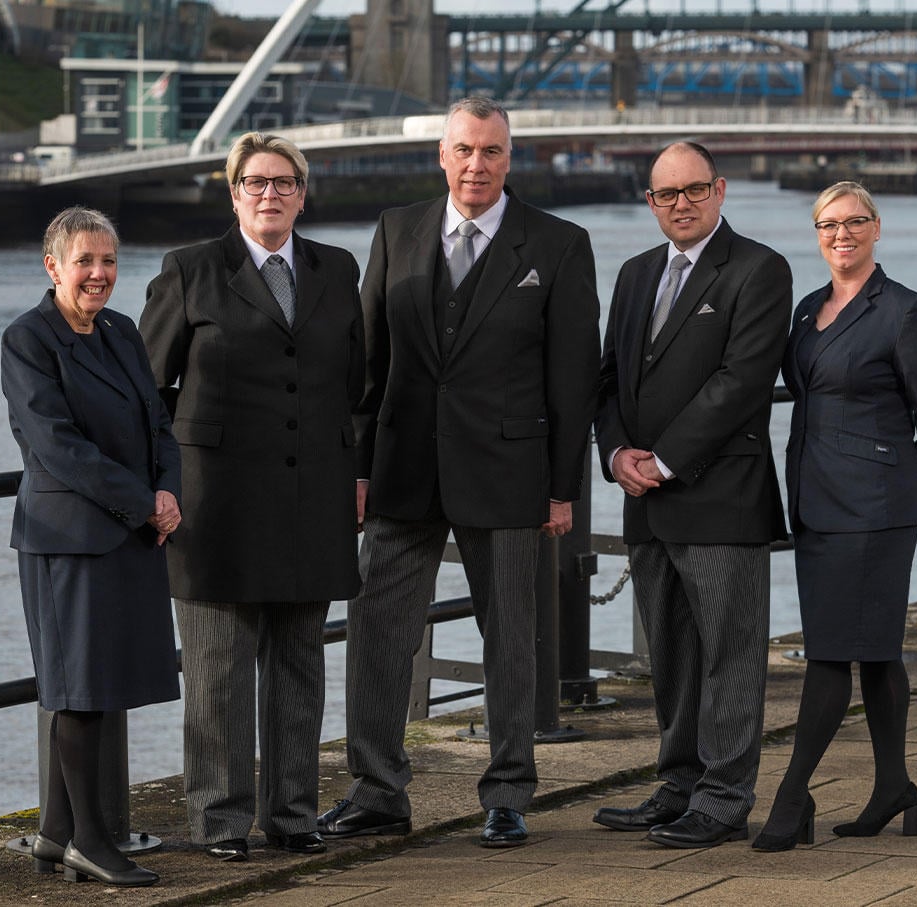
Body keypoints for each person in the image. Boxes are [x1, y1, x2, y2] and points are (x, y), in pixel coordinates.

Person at [318, 97, 600, 849]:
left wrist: (563, 485)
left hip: (510, 469)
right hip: (403, 464)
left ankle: (507, 792)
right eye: (465, 150)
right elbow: (368, 363)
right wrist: (358, 465)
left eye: (493, 152)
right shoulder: (396, 229)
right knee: (377, 628)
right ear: (441, 155)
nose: (478, 165)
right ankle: (377, 788)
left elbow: (574, 377)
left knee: (510, 636)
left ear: (513, 159)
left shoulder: (560, 243)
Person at [138, 133, 364, 862]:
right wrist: (157, 484)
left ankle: (294, 813)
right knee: (218, 669)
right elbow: (146, 391)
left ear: (304, 191)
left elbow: (355, 385)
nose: (271, 193)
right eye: (256, 181)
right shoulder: (191, 270)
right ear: (233, 191)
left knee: (300, 660)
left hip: (313, 498)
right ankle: (220, 820)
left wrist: (357, 473)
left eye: (285, 181)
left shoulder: (337, 268)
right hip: (216, 503)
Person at [592, 141, 792, 849]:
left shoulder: (759, 269)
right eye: (664, 194)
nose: (679, 203)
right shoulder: (635, 272)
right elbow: (608, 377)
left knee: (730, 652)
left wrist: (666, 459)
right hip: (644, 496)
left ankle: (725, 795)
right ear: (649, 202)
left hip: (720, 495)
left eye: (693, 189)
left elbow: (740, 382)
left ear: (721, 190)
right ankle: (679, 783)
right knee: (670, 653)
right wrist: (616, 453)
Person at [751, 181, 917, 852]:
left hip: (875, 506)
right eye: (828, 224)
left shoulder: (905, 311)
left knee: (831, 653)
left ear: (877, 229)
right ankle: (893, 784)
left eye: (854, 222)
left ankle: (791, 795)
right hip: (815, 500)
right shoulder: (810, 308)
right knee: (874, 648)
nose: (841, 234)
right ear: (817, 235)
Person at [0, 206, 181, 887]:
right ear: (53, 266)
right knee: (77, 689)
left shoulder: (121, 331)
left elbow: (159, 420)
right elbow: (56, 445)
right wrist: (143, 501)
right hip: (69, 539)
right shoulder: (27, 339)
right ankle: (92, 841)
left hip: (130, 530)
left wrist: (168, 489)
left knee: (99, 685)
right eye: (85, 261)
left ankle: (54, 831)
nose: (100, 274)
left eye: (108, 260)